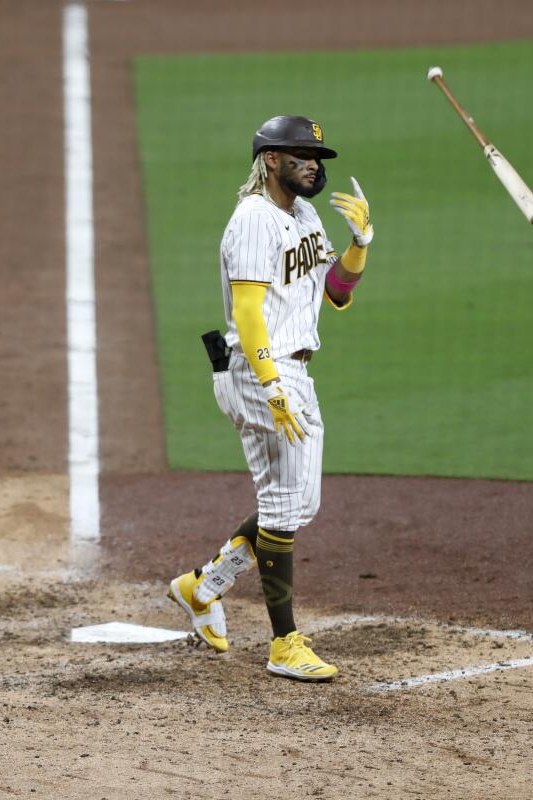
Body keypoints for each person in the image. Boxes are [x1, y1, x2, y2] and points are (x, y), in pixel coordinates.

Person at [168, 116, 374, 681]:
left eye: (318, 156)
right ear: (270, 161)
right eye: (302, 155)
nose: (315, 164)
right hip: (261, 371)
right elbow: (247, 312)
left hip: (291, 373)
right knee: (284, 508)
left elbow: (335, 292)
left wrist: (359, 246)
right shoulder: (254, 221)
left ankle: (201, 587)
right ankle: (284, 643)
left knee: (299, 506)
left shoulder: (303, 215)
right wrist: (271, 384)